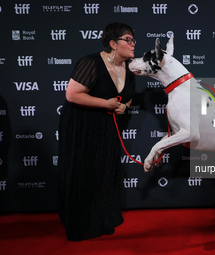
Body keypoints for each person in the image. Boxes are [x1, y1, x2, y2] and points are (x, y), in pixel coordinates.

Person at [58, 22, 136, 241]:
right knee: (85, 172)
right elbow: (73, 95)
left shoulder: (129, 68)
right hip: (83, 127)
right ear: (113, 43)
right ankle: (82, 223)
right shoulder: (91, 62)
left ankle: (101, 218)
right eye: (128, 40)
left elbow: (128, 95)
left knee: (103, 172)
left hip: (108, 129)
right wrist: (107, 104)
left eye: (133, 40)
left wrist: (125, 106)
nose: (133, 44)